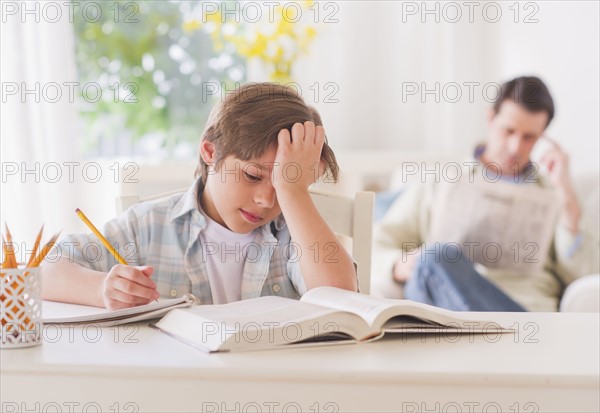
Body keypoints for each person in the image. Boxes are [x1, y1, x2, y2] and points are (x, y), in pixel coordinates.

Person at [42, 83, 357, 310]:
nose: (265, 200)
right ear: (210, 151)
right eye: (252, 175)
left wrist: (294, 191)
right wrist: (102, 289)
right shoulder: (149, 225)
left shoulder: (295, 232)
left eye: (281, 184)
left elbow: (339, 294)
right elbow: (43, 268)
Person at [373, 76, 597, 312]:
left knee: (433, 262)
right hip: (447, 306)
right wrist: (398, 264)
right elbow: (378, 241)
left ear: (543, 136)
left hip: (521, 313)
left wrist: (567, 198)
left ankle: (491, 338)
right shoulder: (441, 180)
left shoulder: (556, 194)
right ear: (491, 118)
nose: (515, 147)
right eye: (508, 131)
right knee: (434, 259)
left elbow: (586, 274)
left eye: (529, 137)